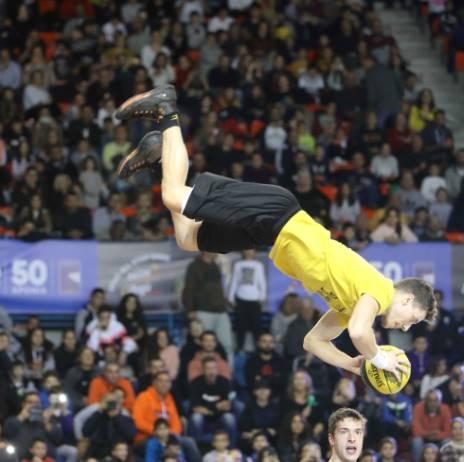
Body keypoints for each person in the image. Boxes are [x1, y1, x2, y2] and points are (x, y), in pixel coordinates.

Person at [114, 84, 436, 381]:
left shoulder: (351, 307)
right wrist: (379, 358)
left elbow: (313, 342)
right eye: (413, 318)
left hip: (268, 233)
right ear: (407, 298)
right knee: (173, 196)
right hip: (278, 215)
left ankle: (161, 158)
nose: (407, 327)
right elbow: (359, 334)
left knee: (187, 238)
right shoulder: (379, 292)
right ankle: (166, 110)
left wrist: (353, 364)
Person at [188, 357, 236, 444]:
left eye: (214, 368)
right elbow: (195, 408)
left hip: (220, 418)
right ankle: (197, 447)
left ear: (217, 369)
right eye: (208, 368)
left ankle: (232, 447)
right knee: (196, 418)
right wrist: (216, 407)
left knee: (229, 418)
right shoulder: (195, 383)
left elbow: (227, 406)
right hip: (203, 419)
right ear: (203, 370)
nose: (211, 372)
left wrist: (207, 408)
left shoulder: (224, 382)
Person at [227, 249, 266, 351]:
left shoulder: (258, 265)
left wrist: (262, 296)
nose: (249, 252)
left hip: (254, 300)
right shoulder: (238, 265)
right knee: (241, 327)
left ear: (255, 252)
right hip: (241, 299)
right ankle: (240, 349)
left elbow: (261, 281)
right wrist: (231, 297)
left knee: (256, 328)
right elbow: (234, 281)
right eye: (247, 250)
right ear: (243, 251)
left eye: (251, 250)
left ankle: (259, 350)